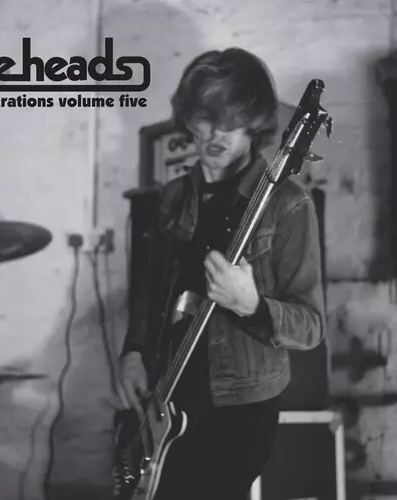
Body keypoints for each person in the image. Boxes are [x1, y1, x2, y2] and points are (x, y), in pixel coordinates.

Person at [118, 47, 325, 500]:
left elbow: (311, 326)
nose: (217, 134)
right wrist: (133, 351)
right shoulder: (173, 197)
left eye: (232, 121)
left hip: (240, 410)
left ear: (254, 124)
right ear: (189, 119)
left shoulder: (287, 204)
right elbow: (150, 294)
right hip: (168, 394)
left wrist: (252, 305)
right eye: (207, 119)